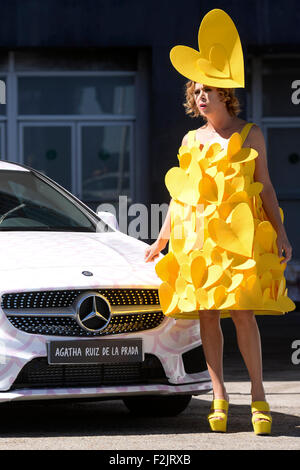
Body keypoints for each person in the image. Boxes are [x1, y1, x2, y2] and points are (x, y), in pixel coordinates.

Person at [144, 9, 295, 435]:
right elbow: (181, 196)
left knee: (243, 313)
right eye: (196, 89)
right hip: (198, 240)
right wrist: (162, 240)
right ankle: (219, 395)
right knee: (207, 316)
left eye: (208, 88)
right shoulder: (191, 140)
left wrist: (281, 233)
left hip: (241, 239)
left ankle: (259, 395)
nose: (201, 95)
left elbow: (264, 187)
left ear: (226, 94)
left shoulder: (250, 134)